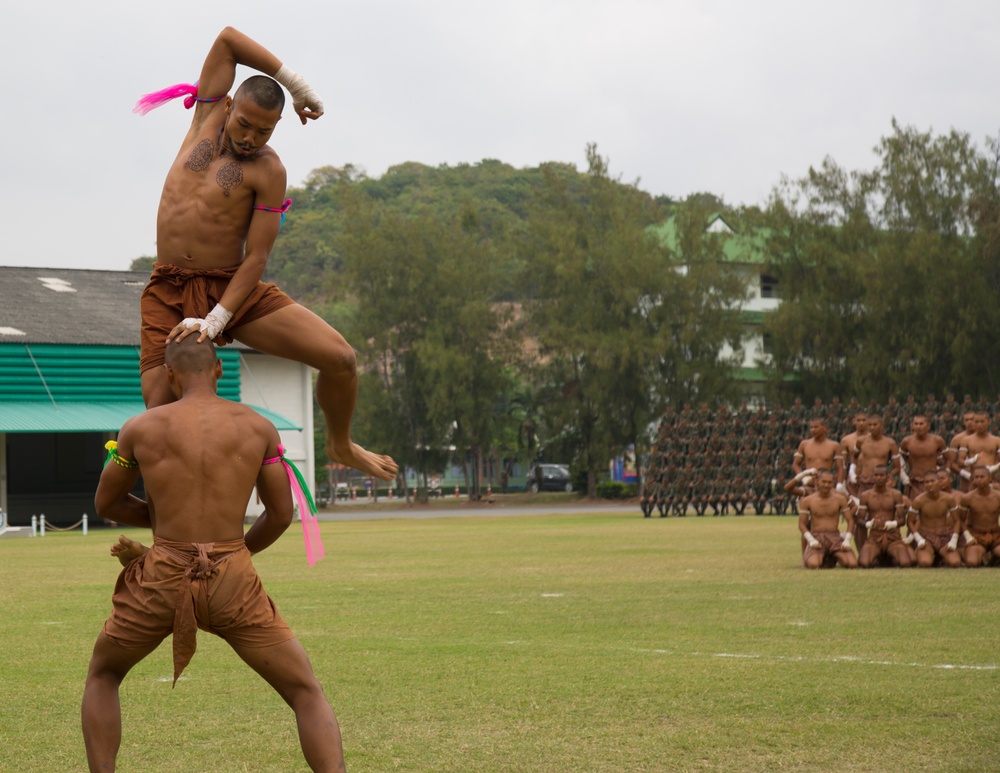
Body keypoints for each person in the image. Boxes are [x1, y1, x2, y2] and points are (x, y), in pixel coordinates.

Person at [137, 25, 396, 483]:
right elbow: (228, 40)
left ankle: (339, 441)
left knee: (342, 359)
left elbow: (256, 257)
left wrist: (218, 319)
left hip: (233, 289)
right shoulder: (205, 118)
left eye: (264, 131)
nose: (250, 138)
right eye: (245, 124)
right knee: (160, 413)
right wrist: (296, 85)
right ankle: (173, 534)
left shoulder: (269, 171)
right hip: (170, 291)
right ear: (229, 105)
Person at [82, 337, 346, 772]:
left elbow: (107, 504)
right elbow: (281, 514)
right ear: (219, 370)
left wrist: (166, 526)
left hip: (161, 573)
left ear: (169, 374)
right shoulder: (258, 427)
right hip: (233, 575)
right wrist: (235, 553)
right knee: (305, 692)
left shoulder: (140, 429)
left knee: (104, 674)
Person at [798, 470, 857, 569]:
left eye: (829, 482)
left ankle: (832, 556)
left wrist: (847, 540)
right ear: (817, 482)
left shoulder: (840, 499)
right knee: (814, 565)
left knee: (852, 564)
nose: (826, 485)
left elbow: (850, 520)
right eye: (823, 482)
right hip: (817, 537)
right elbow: (801, 524)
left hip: (835, 537)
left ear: (833, 483)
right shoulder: (807, 500)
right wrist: (811, 539)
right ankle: (820, 556)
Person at [856, 465, 913, 568]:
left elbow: (902, 520)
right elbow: (859, 520)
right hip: (874, 537)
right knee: (864, 563)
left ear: (887, 477)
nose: (878, 478)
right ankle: (880, 557)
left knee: (905, 563)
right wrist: (868, 523)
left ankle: (889, 556)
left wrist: (893, 524)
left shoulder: (896, 494)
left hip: (893, 537)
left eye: (881, 475)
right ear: (872, 477)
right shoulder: (865, 496)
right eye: (876, 475)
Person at [907, 469, 962, 568]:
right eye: (926, 482)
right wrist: (919, 539)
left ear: (938, 482)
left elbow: (957, 520)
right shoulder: (919, 500)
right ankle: (925, 553)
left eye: (932, 481)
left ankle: (939, 556)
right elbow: (910, 521)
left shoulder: (949, 499)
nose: (929, 484)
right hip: (926, 537)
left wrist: (954, 540)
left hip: (944, 536)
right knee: (925, 563)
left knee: (955, 563)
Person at [958, 467, 1000, 567]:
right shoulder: (967, 498)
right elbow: (960, 520)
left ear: (990, 478)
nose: (979, 479)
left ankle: (994, 557)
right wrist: (968, 537)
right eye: (976, 477)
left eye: (982, 477)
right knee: (972, 563)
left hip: (996, 535)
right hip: (977, 535)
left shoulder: (998, 496)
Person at [898, 415, 947, 501]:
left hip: (933, 480)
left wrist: (944, 473)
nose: (918, 426)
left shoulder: (937, 440)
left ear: (928, 426)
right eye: (916, 424)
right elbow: (900, 458)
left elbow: (949, 458)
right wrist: (904, 476)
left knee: (933, 509)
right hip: (914, 481)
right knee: (913, 508)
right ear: (912, 426)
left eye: (921, 424)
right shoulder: (906, 442)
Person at [792, 417, 844, 488]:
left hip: (826, 484)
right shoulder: (804, 444)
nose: (813, 430)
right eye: (811, 427)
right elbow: (795, 464)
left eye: (816, 427)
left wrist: (839, 484)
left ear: (824, 427)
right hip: (809, 484)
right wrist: (803, 477)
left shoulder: (834, 445)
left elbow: (840, 467)